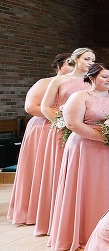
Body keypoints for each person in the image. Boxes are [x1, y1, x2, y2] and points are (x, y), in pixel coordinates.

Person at [48, 63, 109, 251]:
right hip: (87, 149)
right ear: (92, 78)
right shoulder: (80, 97)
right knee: (90, 187)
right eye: (105, 76)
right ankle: (86, 232)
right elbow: (73, 123)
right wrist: (104, 138)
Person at [34, 47, 95, 236]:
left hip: (83, 134)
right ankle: (55, 218)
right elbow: (45, 106)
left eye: (93, 60)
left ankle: (78, 216)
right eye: (87, 59)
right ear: (75, 59)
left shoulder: (92, 82)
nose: (91, 63)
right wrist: (62, 123)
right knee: (60, 172)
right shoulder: (60, 80)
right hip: (62, 131)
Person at [7, 53, 72, 225]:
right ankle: (38, 211)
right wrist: (62, 116)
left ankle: (62, 209)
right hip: (44, 129)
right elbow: (31, 107)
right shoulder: (45, 83)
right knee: (43, 168)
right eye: (69, 63)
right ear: (59, 65)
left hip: (69, 129)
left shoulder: (80, 84)